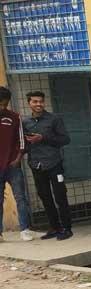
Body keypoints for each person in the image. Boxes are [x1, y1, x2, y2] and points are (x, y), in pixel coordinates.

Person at [22, 91, 71, 240]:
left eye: (41, 101)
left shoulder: (54, 119)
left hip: (54, 164)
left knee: (60, 196)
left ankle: (67, 228)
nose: (38, 104)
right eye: (35, 102)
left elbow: (65, 139)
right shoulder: (25, 122)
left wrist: (43, 137)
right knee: (45, 196)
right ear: (29, 103)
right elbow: (23, 143)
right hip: (36, 165)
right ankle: (54, 227)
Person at [0, 86, 32, 241]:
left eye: (5, 104)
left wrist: (18, 158)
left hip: (13, 166)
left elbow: (21, 140)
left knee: (21, 197)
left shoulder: (15, 117)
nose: (3, 107)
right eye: (0, 104)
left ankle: (25, 229)